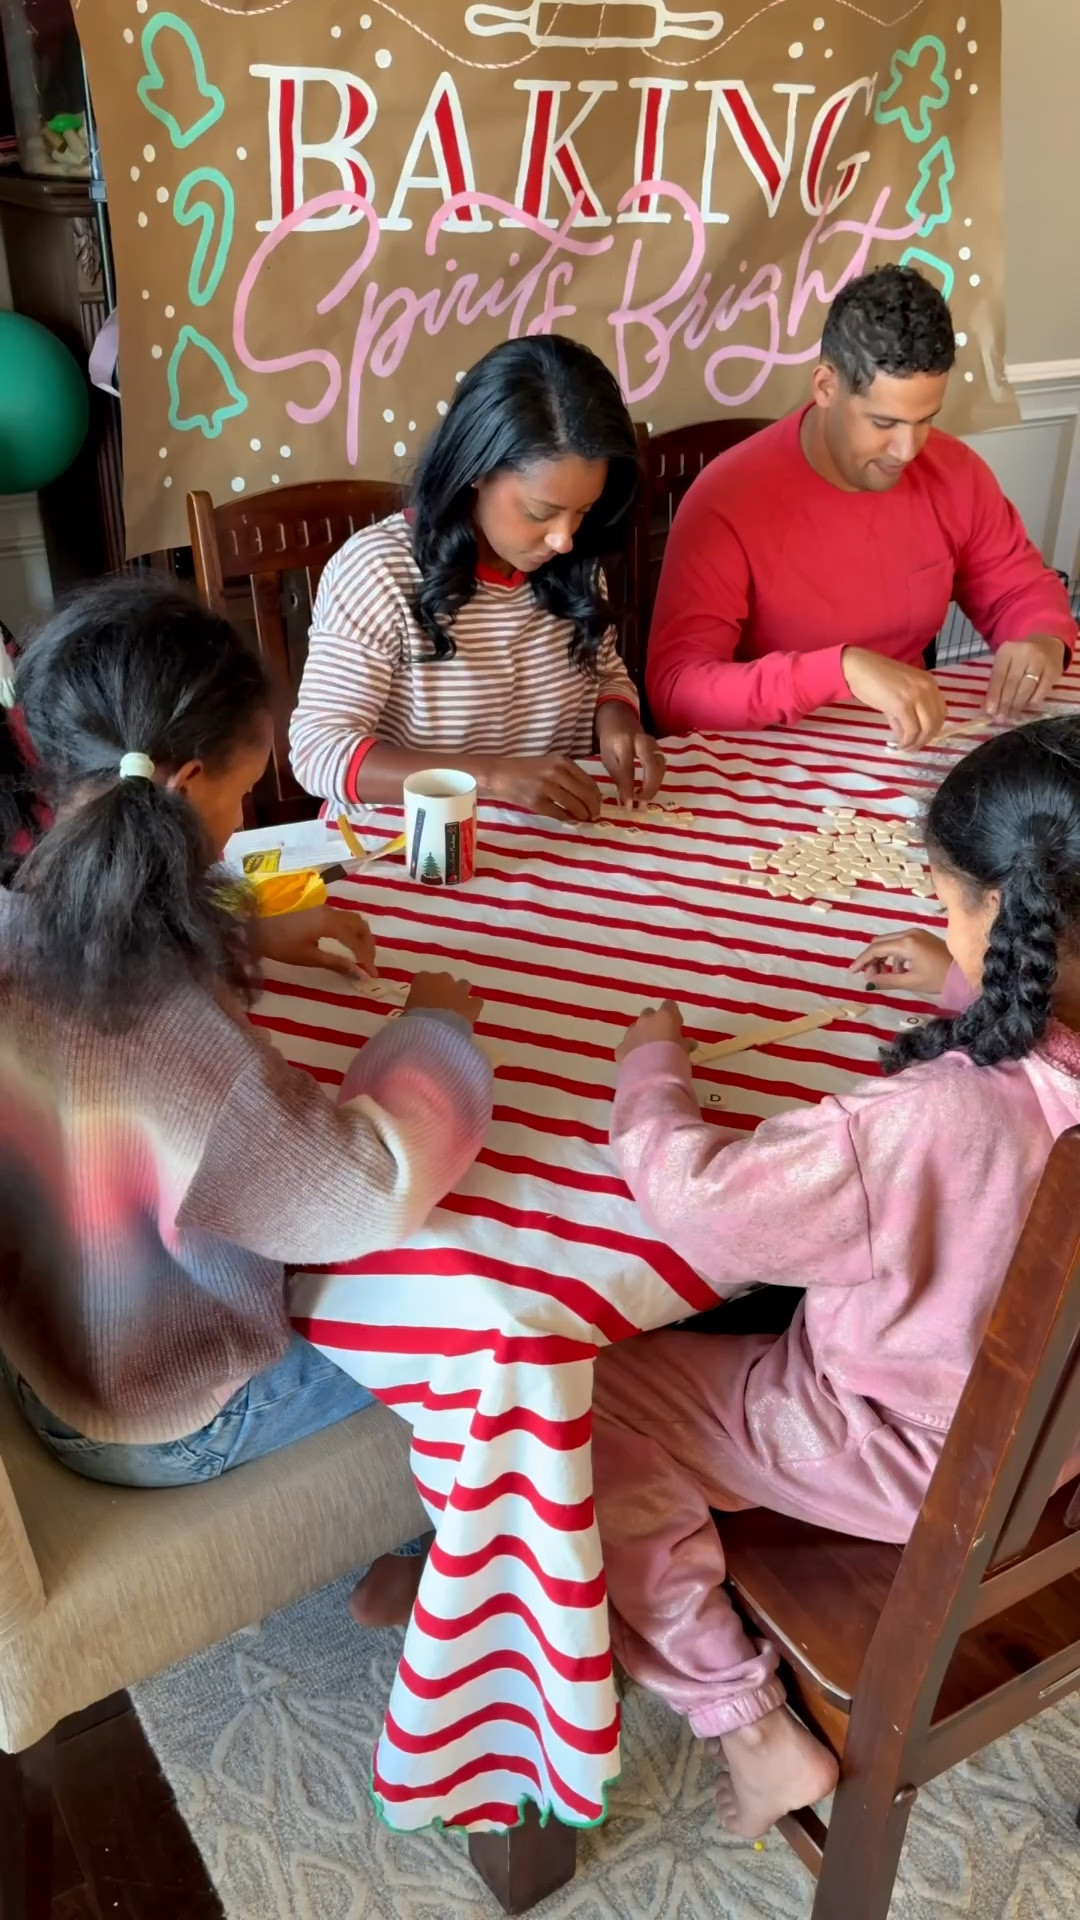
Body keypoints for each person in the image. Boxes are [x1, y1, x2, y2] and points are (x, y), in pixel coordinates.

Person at [589, 715, 1080, 1838]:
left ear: (1008, 920)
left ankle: (740, 1715)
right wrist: (973, 984)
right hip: (1057, 1435)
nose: (944, 926)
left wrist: (652, 1070)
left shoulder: (935, 1119)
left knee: (575, 1388)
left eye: (954, 906)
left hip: (916, 1459)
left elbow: (703, 1206)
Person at [0, 579, 491, 1489]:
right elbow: (368, 1193)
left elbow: (107, 958)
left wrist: (239, 931)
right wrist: (432, 1031)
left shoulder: (15, 917)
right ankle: (462, 1569)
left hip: (49, 1354)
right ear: (183, 786)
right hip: (167, 1413)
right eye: (239, 797)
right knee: (505, 1326)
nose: (237, 824)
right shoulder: (173, 1030)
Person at [647, 266, 1077, 749]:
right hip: (770, 758)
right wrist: (839, 669)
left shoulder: (955, 472)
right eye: (883, 422)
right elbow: (676, 693)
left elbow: (1020, 590)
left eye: (925, 420)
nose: (907, 450)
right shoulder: (725, 499)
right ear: (826, 387)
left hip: (905, 751)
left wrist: (1042, 639)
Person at [291, 334, 664, 823]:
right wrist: (491, 777)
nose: (564, 539)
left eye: (584, 511)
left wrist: (618, 721)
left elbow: (604, 671)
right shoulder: (379, 570)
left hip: (541, 843)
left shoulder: (574, 562)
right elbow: (319, 752)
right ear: (476, 470)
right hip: (407, 853)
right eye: (540, 511)